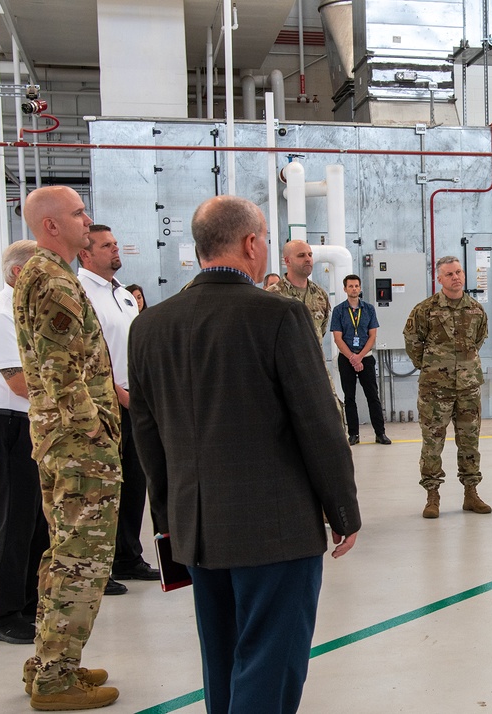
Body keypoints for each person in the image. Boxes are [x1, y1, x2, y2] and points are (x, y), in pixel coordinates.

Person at [128, 195, 361, 713]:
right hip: (273, 530)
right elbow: (319, 425)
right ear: (251, 243)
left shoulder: (150, 325)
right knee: (270, 661)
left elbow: (147, 434)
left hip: (197, 528)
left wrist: (169, 521)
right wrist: (342, 510)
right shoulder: (278, 316)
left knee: (223, 655)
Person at [14, 186, 121, 710]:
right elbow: (62, 373)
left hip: (58, 442)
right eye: (79, 214)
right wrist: (96, 430)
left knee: (62, 556)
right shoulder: (53, 280)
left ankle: (49, 662)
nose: (87, 220)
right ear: (52, 225)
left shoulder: (38, 274)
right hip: (79, 448)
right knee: (83, 559)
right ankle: (57, 677)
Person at [0, 240, 49, 646]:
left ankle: (25, 605)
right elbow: (19, 382)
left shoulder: (27, 313)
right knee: (16, 521)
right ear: (19, 273)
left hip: (32, 423)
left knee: (37, 522)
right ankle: (3, 615)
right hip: (10, 425)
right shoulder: (0, 316)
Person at [78, 226, 160, 592]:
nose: (115, 249)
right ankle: (100, 568)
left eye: (115, 243)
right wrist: (123, 396)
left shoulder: (123, 295)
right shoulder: (81, 294)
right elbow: (86, 360)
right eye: (106, 245)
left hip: (133, 400)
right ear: (86, 253)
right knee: (103, 489)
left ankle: (127, 556)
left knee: (133, 483)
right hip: (102, 405)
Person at [404, 256, 491, 519]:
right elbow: (412, 339)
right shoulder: (425, 309)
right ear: (439, 279)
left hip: (468, 387)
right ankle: (432, 496)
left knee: (469, 441)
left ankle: (471, 493)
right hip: (435, 389)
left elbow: (479, 339)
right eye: (449, 274)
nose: (456, 277)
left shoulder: (476, 309)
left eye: (459, 272)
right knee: (432, 442)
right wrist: (430, 366)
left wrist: (463, 367)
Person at [330, 275, 391, 446]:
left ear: (360, 288)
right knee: (349, 397)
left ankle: (380, 433)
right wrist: (352, 357)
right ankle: (354, 434)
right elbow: (337, 338)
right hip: (346, 359)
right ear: (345, 289)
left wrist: (360, 356)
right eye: (350, 286)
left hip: (366, 358)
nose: (354, 289)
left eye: (357, 286)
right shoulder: (339, 311)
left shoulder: (369, 309)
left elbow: (372, 336)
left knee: (373, 396)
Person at [266, 239, 330, 340]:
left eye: (310, 255)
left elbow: (321, 331)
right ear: (287, 261)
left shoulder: (320, 295)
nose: (308, 259)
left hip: (315, 355)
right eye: (301, 255)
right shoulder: (271, 295)